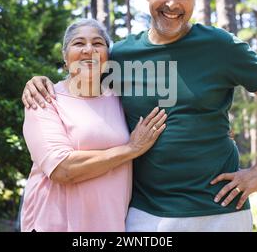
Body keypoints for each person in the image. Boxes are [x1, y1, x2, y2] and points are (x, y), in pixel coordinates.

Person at [22, 0, 257, 232]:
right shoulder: (121, 56)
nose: (173, 4)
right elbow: (80, 79)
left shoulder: (219, 46)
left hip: (220, 211)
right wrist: (39, 81)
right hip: (147, 215)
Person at [20, 18, 167, 232]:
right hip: (54, 225)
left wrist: (218, 132)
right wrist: (130, 149)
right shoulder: (44, 99)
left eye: (98, 43)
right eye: (79, 43)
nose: (89, 50)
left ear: (107, 57)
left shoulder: (120, 98)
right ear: (65, 57)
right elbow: (62, 169)